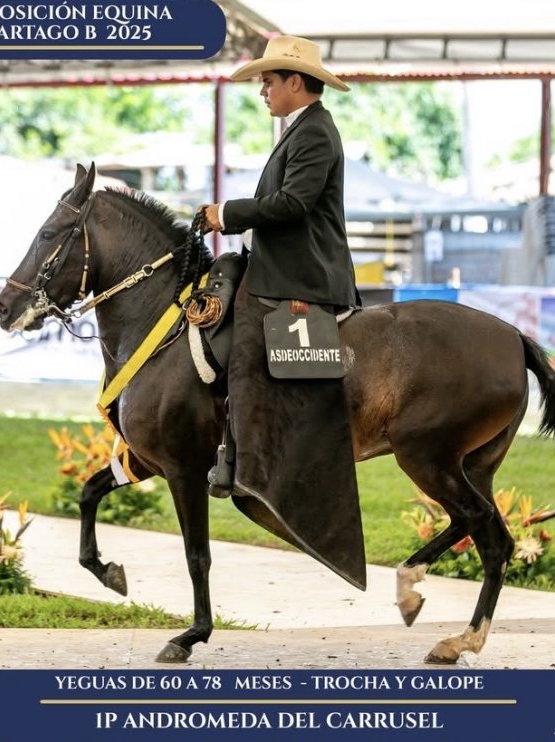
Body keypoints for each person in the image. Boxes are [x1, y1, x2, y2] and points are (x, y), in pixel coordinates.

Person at [197, 35, 366, 589]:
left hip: (302, 277)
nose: (262, 90)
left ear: (296, 82)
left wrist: (226, 213)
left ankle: (244, 465)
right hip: (279, 266)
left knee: (245, 349)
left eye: (268, 81)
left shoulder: (315, 131)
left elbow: (292, 205)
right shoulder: (302, 129)